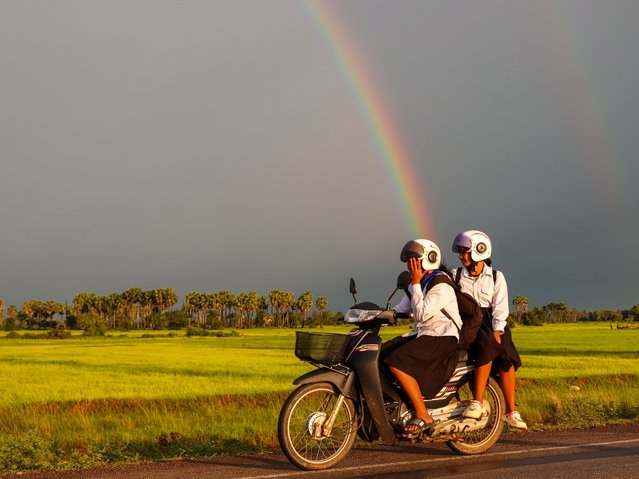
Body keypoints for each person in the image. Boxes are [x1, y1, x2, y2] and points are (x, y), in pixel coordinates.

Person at [384, 239, 462, 438]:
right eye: (409, 261)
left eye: (414, 260)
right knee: (380, 354)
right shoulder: (415, 284)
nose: (411, 265)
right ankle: (398, 408)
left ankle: (423, 414)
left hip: (443, 336)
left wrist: (416, 282)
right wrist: (376, 316)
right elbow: (401, 310)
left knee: (396, 361)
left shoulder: (441, 283)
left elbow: (421, 314)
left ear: (429, 258)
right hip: (424, 334)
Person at [451, 230, 527, 430]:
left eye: (465, 251)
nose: (461, 255)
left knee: (507, 355)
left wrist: (498, 328)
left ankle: (511, 412)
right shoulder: (455, 275)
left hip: (492, 321)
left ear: (479, 251)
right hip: (469, 322)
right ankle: (477, 401)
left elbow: (500, 307)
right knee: (487, 342)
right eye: (460, 251)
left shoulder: (495, 276)